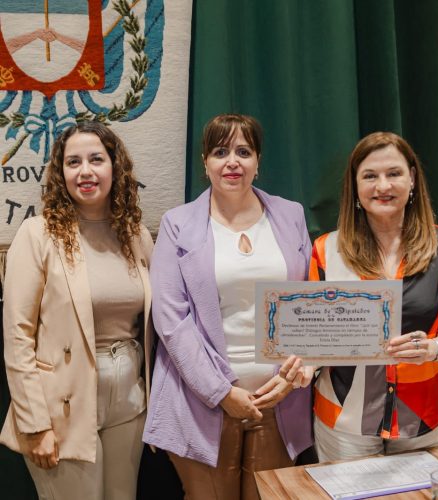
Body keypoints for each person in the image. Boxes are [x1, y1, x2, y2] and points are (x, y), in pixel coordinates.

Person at [143, 113, 314, 499]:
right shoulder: (177, 223)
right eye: (221, 152)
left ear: (258, 161)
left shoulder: (291, 216)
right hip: (201, 402)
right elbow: (171, 321)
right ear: (205, 162)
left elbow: (307, 303)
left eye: (243, 151)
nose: (232, 161)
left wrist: (291, 376)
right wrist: (221, 392)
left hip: (279, 401)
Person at [0, 121, 154, 500]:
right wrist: (34, 424)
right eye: (73, 162)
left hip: (130, 399)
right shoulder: (37, 234)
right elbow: (17, 335)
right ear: (60, 173)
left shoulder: (136, 234)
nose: (85, 171)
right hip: (60, 405)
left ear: (115, 167)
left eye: (96, 159)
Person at [310, 131, 438, 461]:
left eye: (394, 174)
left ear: (412, 178)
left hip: (423, 415)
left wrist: (433, 348)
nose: (382, 186)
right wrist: (303, 363)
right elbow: (314, 338)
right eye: (369, 176)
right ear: (355, 186)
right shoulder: (326, 251)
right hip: (344, 419)